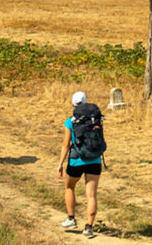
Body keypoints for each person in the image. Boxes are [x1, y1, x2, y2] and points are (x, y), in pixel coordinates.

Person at [57, 91, 102, 239]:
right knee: (91, 195)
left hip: (76, 160)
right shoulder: (96, 120)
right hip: (95, 160)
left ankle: (71, 219)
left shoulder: (70, 121)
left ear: (73, 104)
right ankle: (89, 227)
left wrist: (60, 164)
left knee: (69, 187)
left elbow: (66, 144)